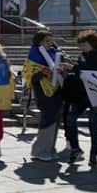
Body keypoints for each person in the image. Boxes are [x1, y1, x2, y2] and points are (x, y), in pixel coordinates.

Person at [61, 30, 97, 168]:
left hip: (96, 94)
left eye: (84, 44)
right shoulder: (83, 55)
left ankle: (93, 156)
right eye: (80, 45)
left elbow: (90, 72)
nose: (81, 47)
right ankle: (75, 149)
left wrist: (73, 67)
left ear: (92, 43)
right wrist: (69, 71)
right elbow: (80, 72)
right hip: (80, 94)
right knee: (70, 119)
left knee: (93, 125)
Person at [24, 30, 65, 161]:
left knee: (56, 118)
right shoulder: (33, 56)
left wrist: (62, 68)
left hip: (57, 89)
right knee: (48, 118)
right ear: (39, 42)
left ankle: (50, 149)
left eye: (51, 40)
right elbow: (30, 77)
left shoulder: (55, 53)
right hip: (42, 92)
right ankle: (39, 150)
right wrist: (43, 73)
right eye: (46, 41)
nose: (50, 43)